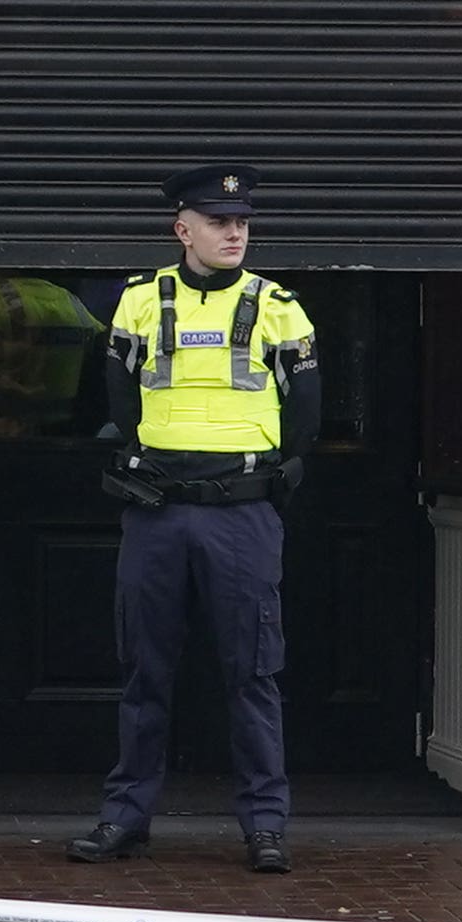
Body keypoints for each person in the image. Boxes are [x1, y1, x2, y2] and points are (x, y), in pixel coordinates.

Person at [71, 162, 319, 876]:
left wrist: (265, 477)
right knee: (144, 671)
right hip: (158, 513)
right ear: (183, 228)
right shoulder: (140, 302)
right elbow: (119, 401)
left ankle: (266, 826)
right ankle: (126, 818)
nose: (234, 231)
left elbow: (306, 418)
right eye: (217, 221)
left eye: (241, 221)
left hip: (240, 515)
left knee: (253, 674)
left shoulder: (279, 306)